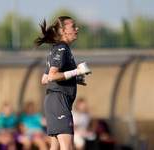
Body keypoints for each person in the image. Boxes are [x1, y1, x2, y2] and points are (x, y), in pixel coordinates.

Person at [33, 16, 92, 150]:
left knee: (56, 146)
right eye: (73, 26)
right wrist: (76, 72)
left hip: (53, 101)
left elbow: (45, 79)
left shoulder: (57, 49)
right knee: (67, 147)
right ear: (64, 31)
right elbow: (52, 77)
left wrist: (74, 78)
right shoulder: (62, 49)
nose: (77, 28)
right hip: (59, 101)